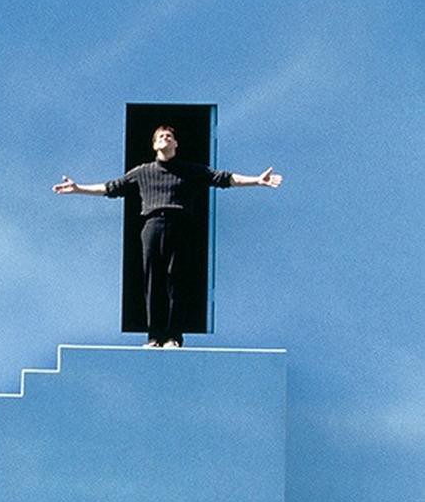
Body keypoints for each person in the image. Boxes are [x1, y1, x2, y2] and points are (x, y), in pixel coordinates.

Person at [52, 125, 282, 347]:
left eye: (169, 136)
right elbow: (112, 187)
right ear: (154, 145)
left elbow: (223, 179)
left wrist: (257, 180)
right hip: (152, 226)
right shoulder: (142, 172)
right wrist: (78, 188)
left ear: (176, 143)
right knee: (153, 281)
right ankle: (154, 336)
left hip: (181, 226)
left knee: (177, 281)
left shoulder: (190, 170)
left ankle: (173, 337)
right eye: (161, 136)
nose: (166, 138)